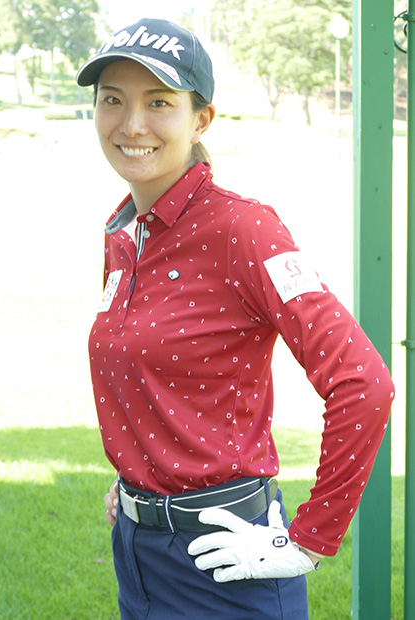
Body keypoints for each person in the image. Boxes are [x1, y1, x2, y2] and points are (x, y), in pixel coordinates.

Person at [76, 17, 395, 620]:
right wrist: (140, 476)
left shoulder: (244, 229)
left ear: (201, 119)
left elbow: (364, 383)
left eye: (159, 102)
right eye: (112, 100)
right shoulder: (124, 234)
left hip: (228, 561)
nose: (132, 124)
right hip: (139, 555)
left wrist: (308, 539)